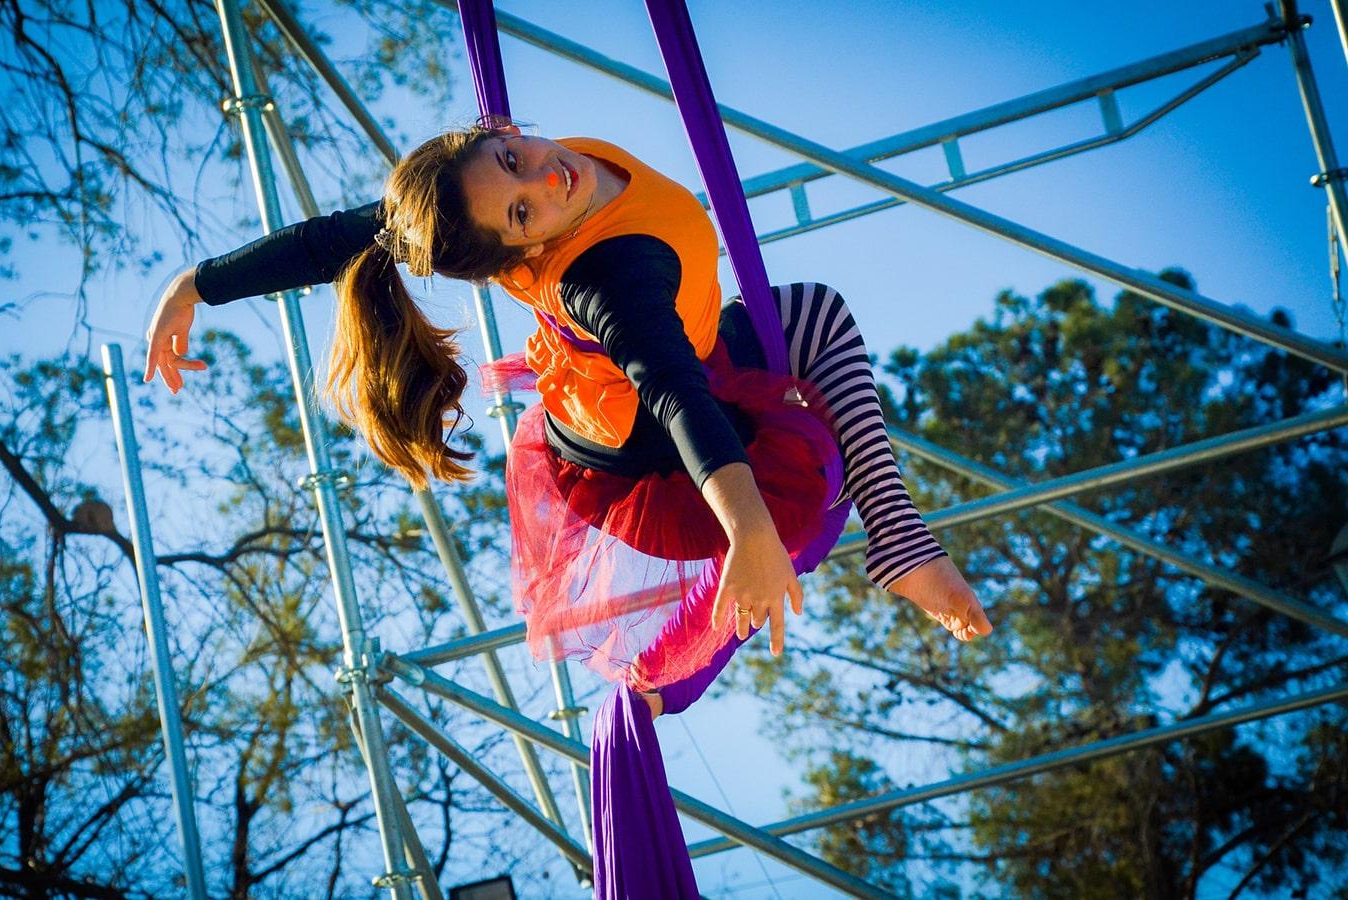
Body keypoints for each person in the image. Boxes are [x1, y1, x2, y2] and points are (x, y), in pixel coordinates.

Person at [145, 124, 991, 718]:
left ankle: (896, 538)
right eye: (522, 212)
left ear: (500, 126)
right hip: (648, 457)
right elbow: (672, 394)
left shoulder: (496, 180)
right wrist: (750, 531)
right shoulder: (609, 274)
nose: (544, 181)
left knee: (810, 316)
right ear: (521, 253)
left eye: (515, 159)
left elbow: (332, 239)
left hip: (685, 366)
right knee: (808, 483)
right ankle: (766, 607)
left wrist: (195, 283)